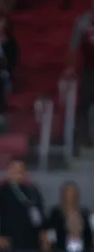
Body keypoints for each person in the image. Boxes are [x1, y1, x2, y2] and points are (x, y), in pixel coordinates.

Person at [0, 158, 51, 252]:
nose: (18, 173)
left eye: (21, 170)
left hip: (34, 244)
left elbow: (41, 219)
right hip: (11, 244)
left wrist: (45, 240)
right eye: (15, 170)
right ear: (9, 172)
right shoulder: (1, 191)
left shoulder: (33, 191)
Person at [66, 0, 94, 147]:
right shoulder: (83, 22)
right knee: (84, 105)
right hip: (89, 71)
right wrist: (71, 66)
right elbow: (73, 45)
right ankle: (83, 139)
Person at [43, 182, 93, 252]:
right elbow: (46, 239)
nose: (70, 200)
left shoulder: (86, 215)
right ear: (62, 197)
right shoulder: (54, 216)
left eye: (73, 197)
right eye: (67, 196)